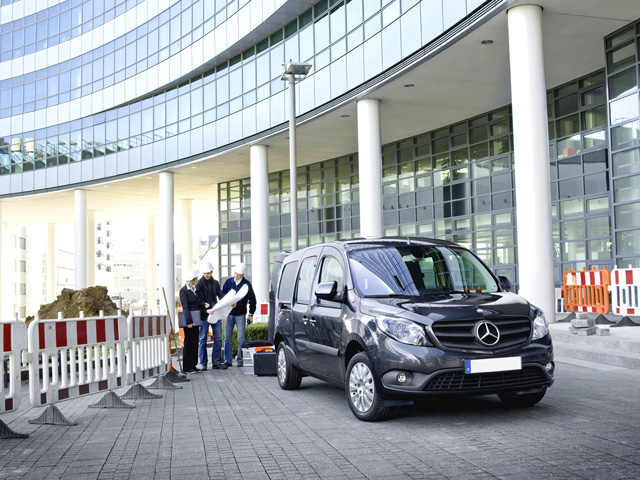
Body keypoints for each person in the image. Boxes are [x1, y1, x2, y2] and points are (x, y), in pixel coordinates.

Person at [221, 263, 256, 367]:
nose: (236, 276)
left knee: (241, 338)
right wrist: (228, 302)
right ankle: (227, 360)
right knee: (227, 338)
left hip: (240, 314)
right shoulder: (228, 282)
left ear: (243, 274)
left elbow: (253, 300)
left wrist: (251, 314)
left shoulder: (247, 285)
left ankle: (240, 359)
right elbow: (222, 295)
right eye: (235, 273)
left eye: (238, 274)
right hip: (229, 314)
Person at [196, 261, 227, 370]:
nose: (206, 275)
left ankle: (216, 362)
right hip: (204, 315)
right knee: (203, 339)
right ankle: (203, 363)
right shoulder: (199, 284)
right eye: (205, 273)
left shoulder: (216, 283)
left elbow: (221, 296)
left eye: (208, 273)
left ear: (212, 272)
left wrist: (228, 302)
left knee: (218, 338)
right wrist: (205, 308)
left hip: (215, 313)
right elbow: (198, 300)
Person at [179, 269, 205, 373]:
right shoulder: (183, 291)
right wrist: (188, 322)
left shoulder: (194, 290)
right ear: (192, 280)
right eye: (196, 278)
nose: (198, 280)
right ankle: (187, 367)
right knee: (188, 343)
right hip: (189, 321)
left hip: (196, 320)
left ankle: (193, 365)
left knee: (194, 343)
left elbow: (197, 303)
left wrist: (203, 305)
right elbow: (185, 307)